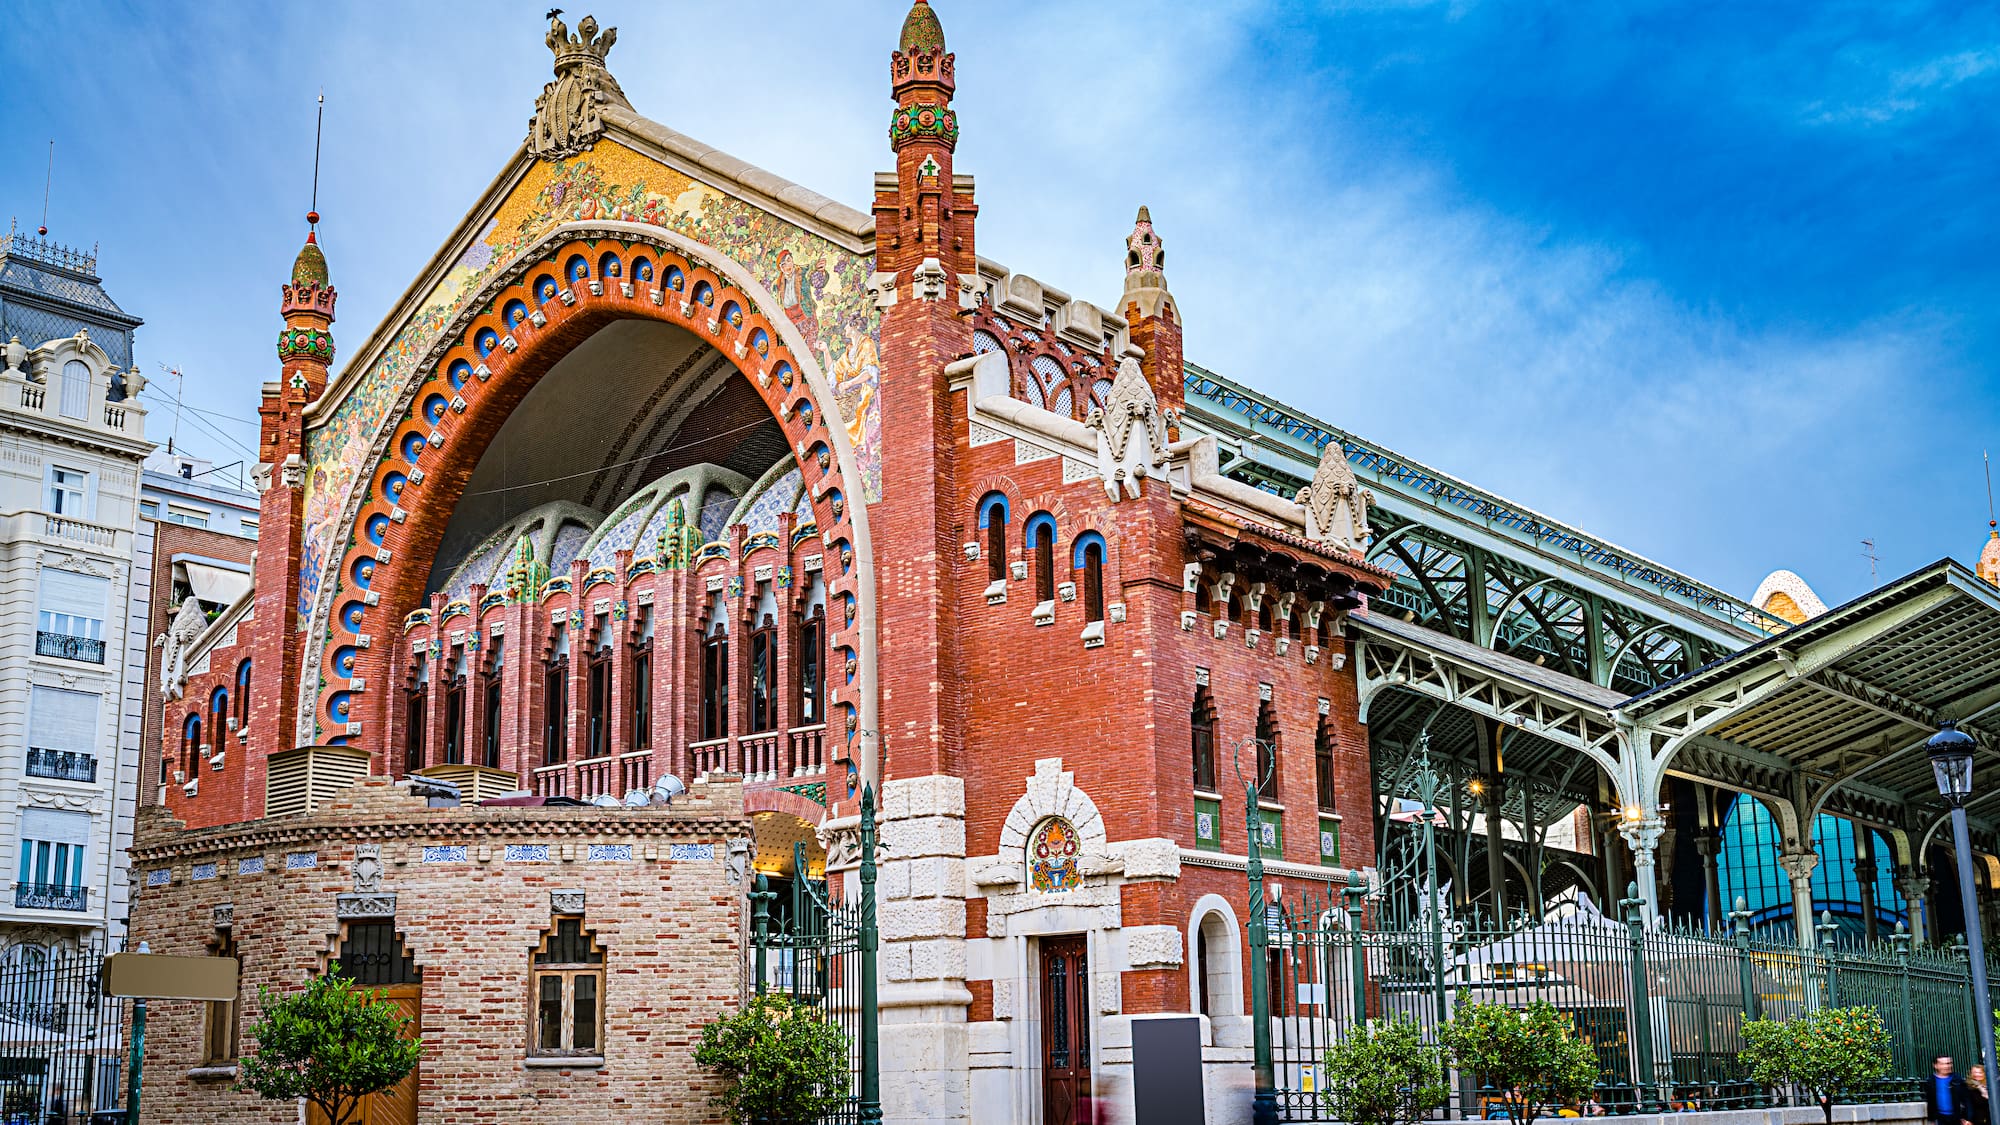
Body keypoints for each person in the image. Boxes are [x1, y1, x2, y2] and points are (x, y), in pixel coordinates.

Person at [1928, 1056, 1971, 1125]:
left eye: (1948, 1063)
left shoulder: (1957, 1079)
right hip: (1940, 1118)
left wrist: (1967, 1118)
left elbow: (1966, 1099)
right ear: (1935, 1066)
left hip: (1957, 1118)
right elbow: (1930, 1101)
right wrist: (1931, 1120)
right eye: (1942, 1064)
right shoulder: (1931, 1081)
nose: (1946, 1066)